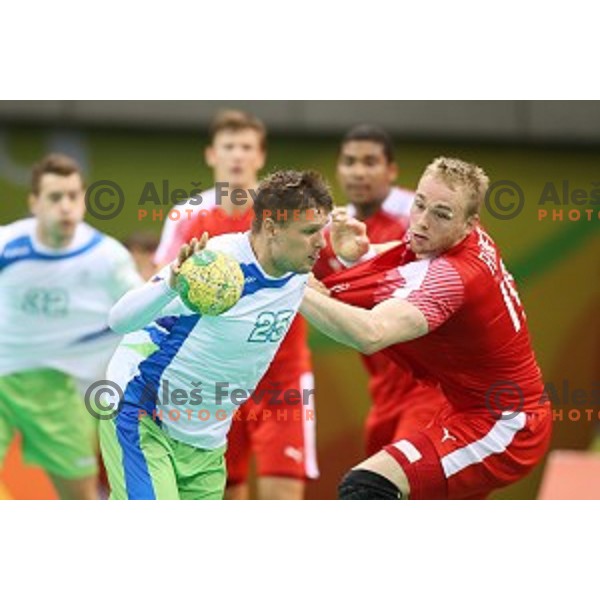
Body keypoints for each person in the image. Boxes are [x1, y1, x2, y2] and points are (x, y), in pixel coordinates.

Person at [302, 157, 552, 500]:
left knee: (367, 486)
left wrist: (293, 285)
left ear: (468, 224)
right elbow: (410, 262)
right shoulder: (452, 242)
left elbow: (370, 333)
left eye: (441, 214)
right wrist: (358, 256)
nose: (421, 222)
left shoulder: (453, 278)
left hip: (504, 426)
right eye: (419, 205)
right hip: (464, 408)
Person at [99, 170, 332, 500]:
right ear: (271, 228)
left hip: (206, 441)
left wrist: (356, 253)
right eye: (311, 232)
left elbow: (368, 329)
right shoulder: (213, 263)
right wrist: (170, 284)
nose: (322, 242)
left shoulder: (298, 271)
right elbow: (119, 320)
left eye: (322, 231)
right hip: (143, 412)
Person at [155, 110, 319, 500]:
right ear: (212, 154)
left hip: (281, 378)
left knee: (282, 494)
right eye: (229, 147)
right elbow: (161, 288)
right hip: (213, 378)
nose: (237, 156)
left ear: (260, 157)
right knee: (225, 495)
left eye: (247, 147)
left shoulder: (289, 213)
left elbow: (324, 266)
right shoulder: (187, 215)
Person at [0, 153, 143, 499]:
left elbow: (142, 312)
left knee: (79, 498)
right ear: (34, 202)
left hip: (62, 389)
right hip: (2, 379)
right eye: (54, 197)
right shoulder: (6, 244)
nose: (66, 206)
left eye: (73, 196)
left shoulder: (107, 258)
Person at [314, 125, 443, 457]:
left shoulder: (423, 221)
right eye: (350, 162)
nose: (358, 172)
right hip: (384, 394)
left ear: (391, 171)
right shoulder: (331, 231)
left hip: (433, 388)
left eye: (370, 162)